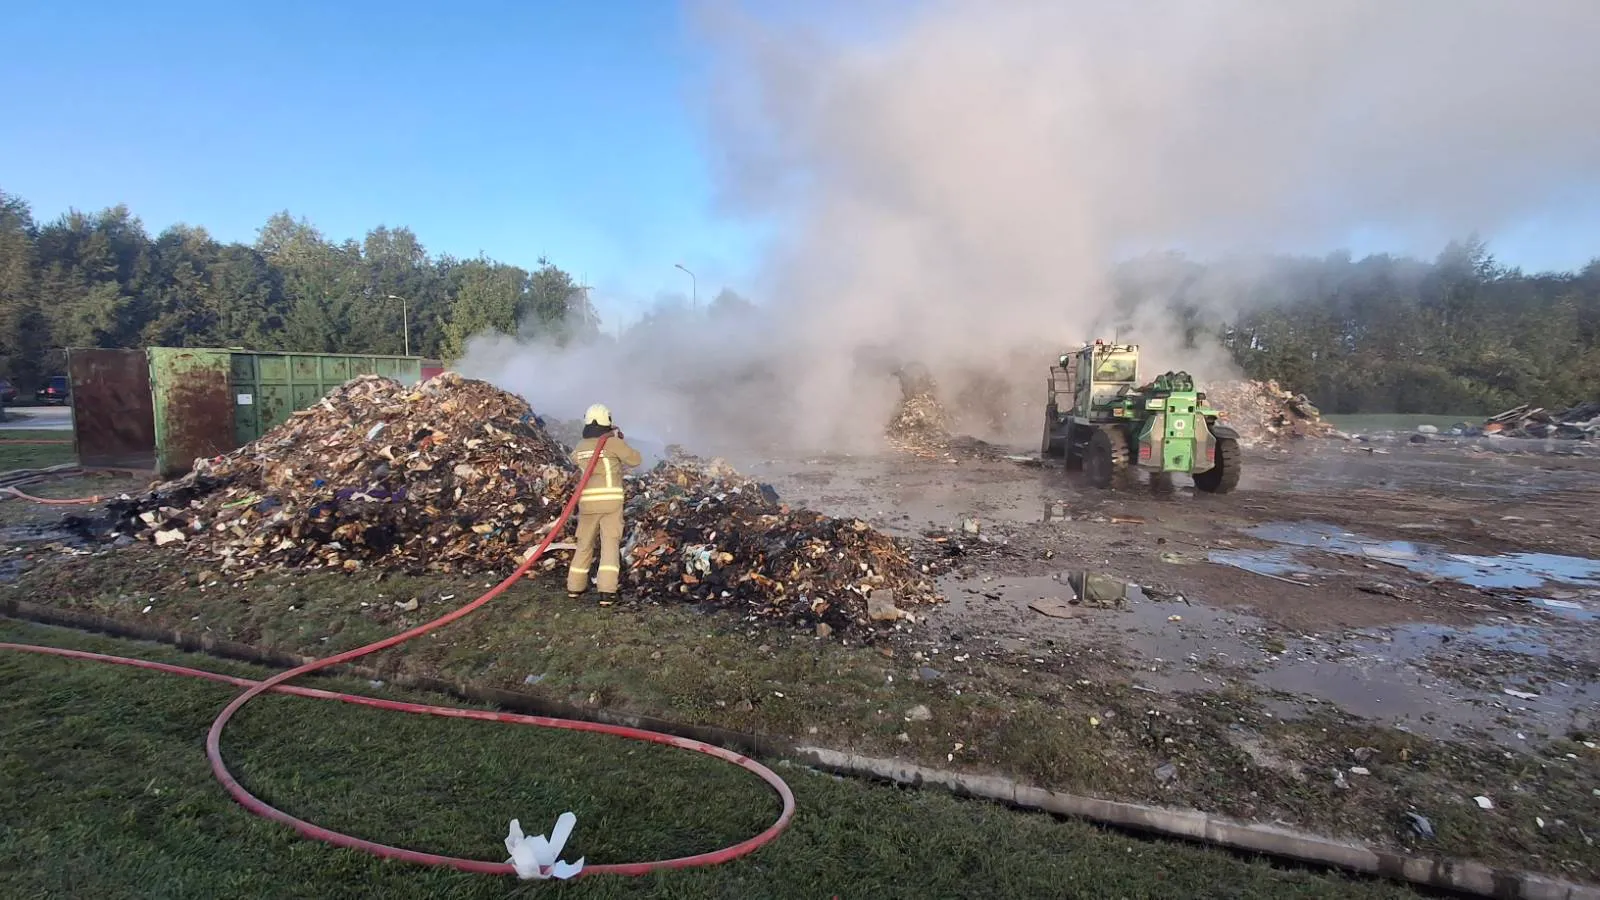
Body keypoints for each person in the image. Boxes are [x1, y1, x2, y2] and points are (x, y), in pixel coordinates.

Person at [565, 403, 643, 598]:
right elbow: (635, 460)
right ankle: (607, 591)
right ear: (607, 420)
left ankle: (575, 586)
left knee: (584, 543)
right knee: (609, 544)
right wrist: (621, 442)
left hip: (587, 503)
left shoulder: (580, 446)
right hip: (610, 503)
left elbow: (574, 459)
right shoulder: (612, 442)